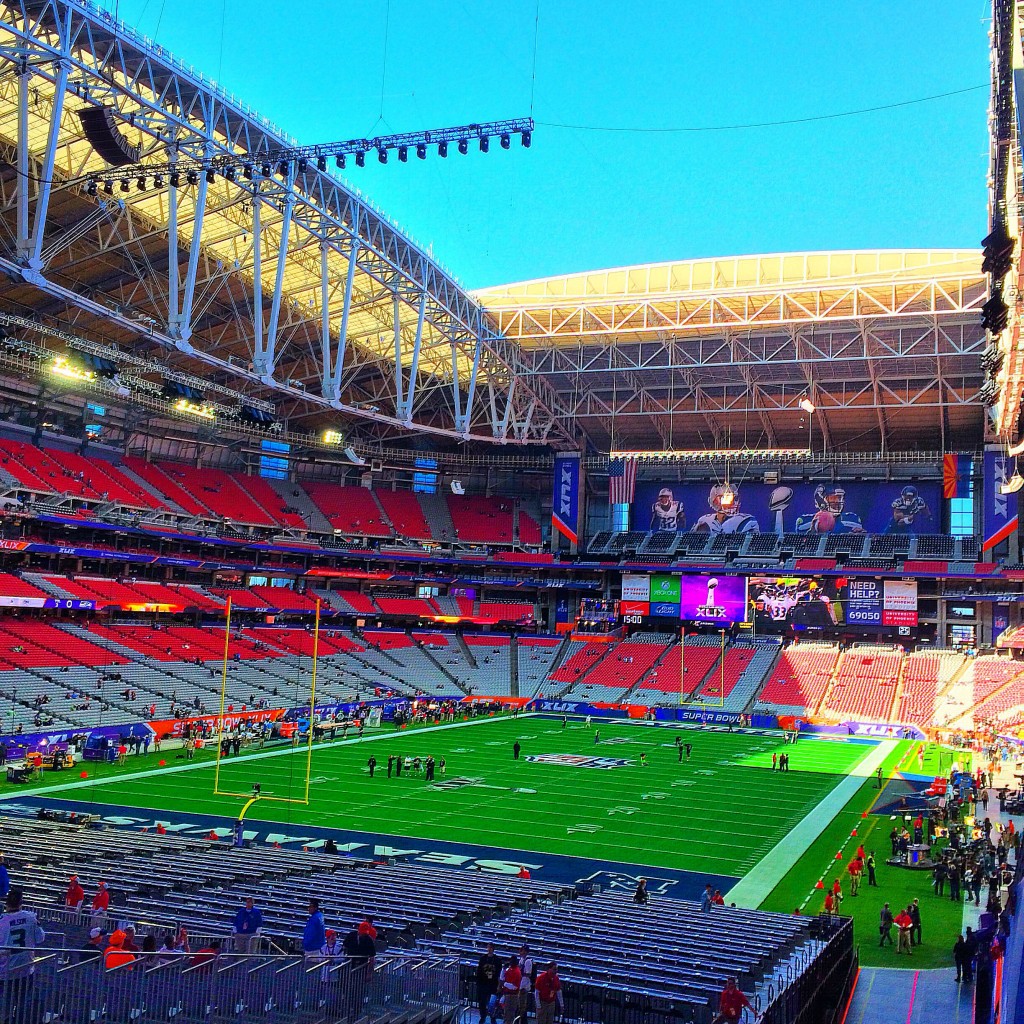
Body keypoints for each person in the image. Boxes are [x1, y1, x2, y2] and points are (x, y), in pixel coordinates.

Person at [0, 889, 45, 988]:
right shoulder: (31, 917)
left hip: (5, 970)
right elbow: (40, 938)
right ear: (21, 903)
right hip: (25, 968)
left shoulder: (2, 921)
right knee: (23, 999)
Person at [476, 943, 502, 1024]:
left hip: (493, 984)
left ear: (493, 949)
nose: (489, 949)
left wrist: (499, 985)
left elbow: (499, 974)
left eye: (491, 948)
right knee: (482, 1002)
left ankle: (493, 1017)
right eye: (488, 947)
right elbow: (479, 971)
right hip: (483, 983)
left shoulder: (497, 960)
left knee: (493, 1002)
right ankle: (483, 1016)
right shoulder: (483, 959)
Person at [499, 954, 522, 1024]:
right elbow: (502, 978)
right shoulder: (509, 969)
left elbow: (515, 987)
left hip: (513, 996)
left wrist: (504, 984)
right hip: (506, 994)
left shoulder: (517, 972)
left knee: (510, 1015)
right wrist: (503, 969)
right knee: (506, 1015)